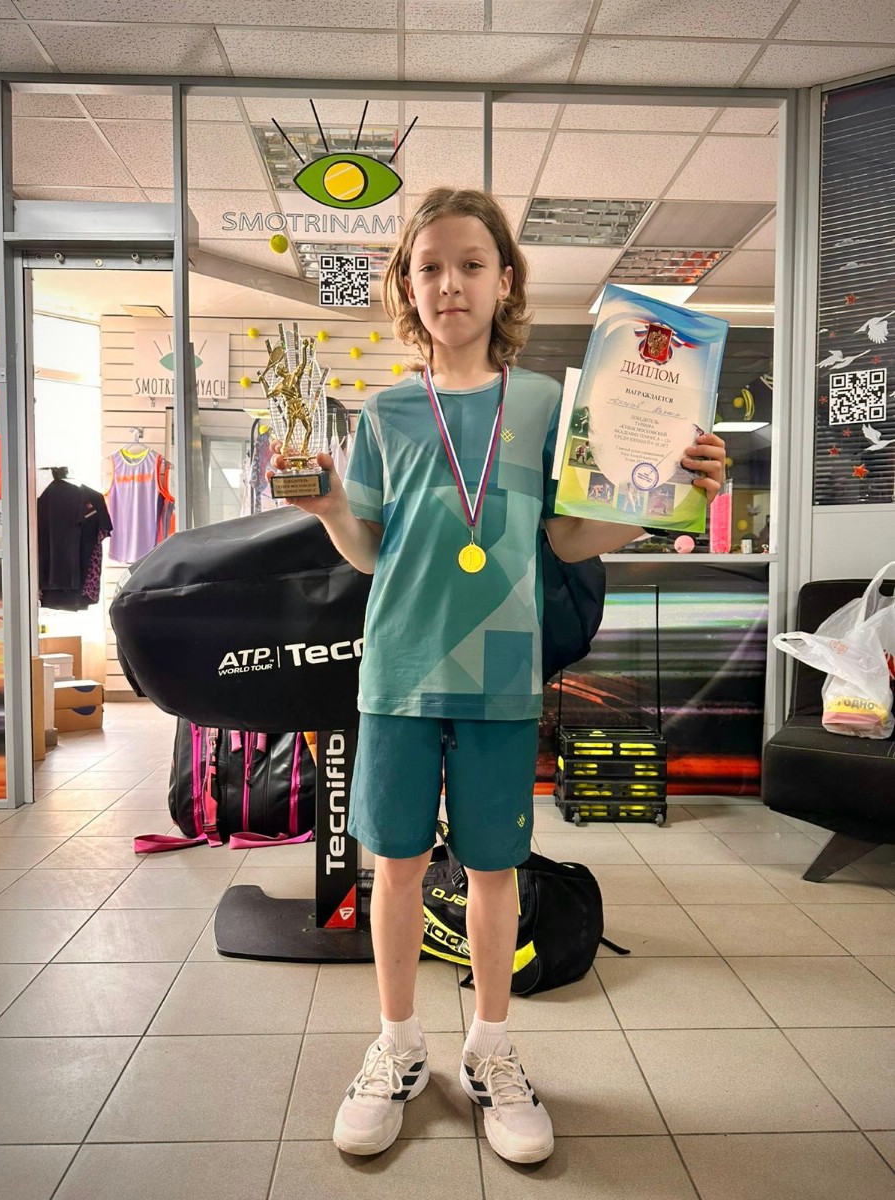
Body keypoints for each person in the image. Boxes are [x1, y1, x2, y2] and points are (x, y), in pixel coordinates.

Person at [270, 187, 726, 1163]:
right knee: (395, 867)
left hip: (502, 674)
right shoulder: (388, 411)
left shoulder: (547, 404)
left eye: (471, 264)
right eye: (429, 266)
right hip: (400, 671)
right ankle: (397, 1045)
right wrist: (328, 510)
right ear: (407, 286)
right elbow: (371, 552)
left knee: (493, 869)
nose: (451, 283)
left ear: (506, 281)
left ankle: (490, 1047)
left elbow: (565, 536)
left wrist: (671, 499)